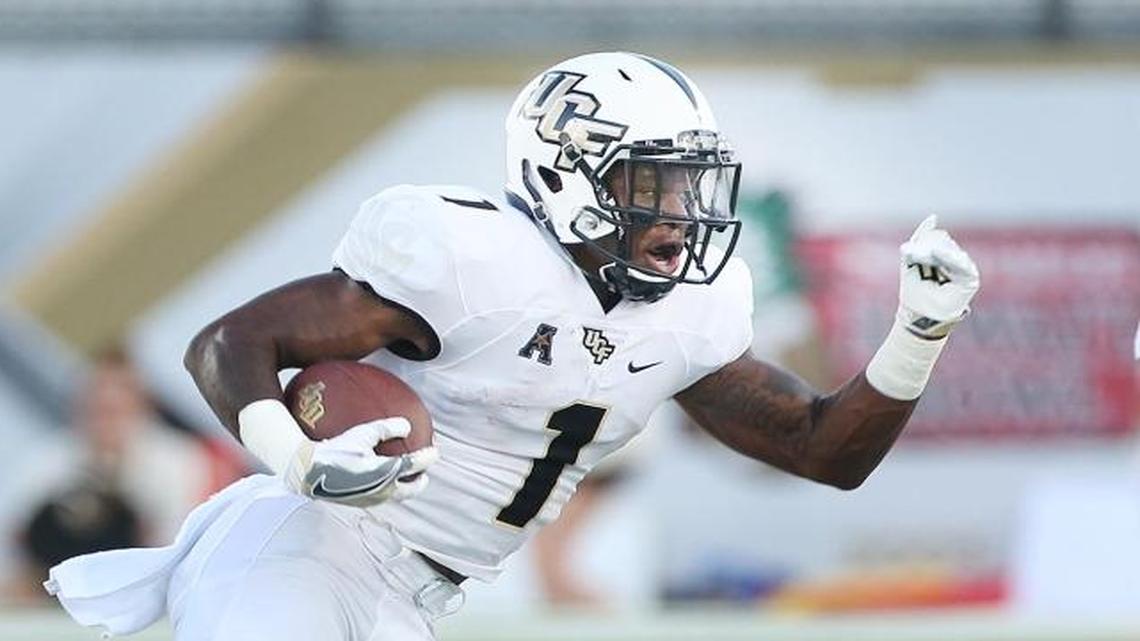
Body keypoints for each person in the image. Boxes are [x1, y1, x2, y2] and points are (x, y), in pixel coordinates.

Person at [45, 52, 980, 640]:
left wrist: (917, 333)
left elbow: (824, 450)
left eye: (691, 184)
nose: (681, 214)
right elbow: (231, 341)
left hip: (418, 593)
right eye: (654, 182)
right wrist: (297, 460)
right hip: (309, 539)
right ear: (570, 175)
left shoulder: (684, 313)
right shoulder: (471, 259)